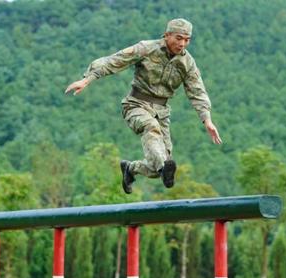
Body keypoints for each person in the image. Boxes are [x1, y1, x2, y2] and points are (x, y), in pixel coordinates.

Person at [65, 18, 222, 194]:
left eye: (187, 40)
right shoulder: (147, 48)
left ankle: (131, 169)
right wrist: (88, 79)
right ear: (167, 35)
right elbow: (115, 60)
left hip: (162, 112)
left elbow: (197, 91)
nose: (182, 43)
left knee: (157, 168)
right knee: (151, 129)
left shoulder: (187, 63)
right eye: (178, 38)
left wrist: (206, 119)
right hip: (136, 105)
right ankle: (163, 166)